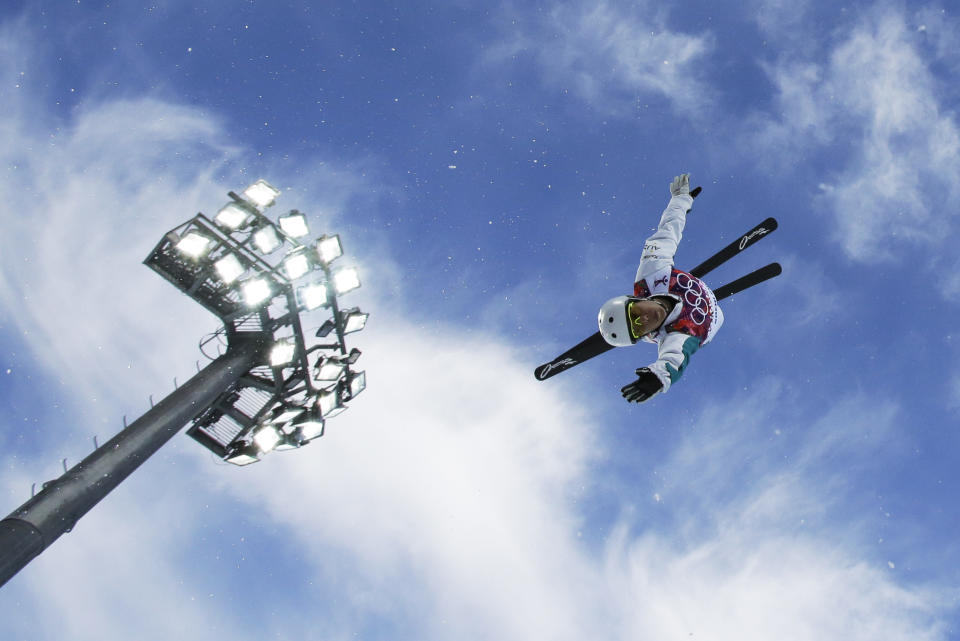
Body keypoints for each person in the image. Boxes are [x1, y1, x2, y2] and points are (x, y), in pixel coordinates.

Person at [597, 173, 724, 403]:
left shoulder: (650, 274)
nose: (644, 320)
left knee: (664, 246)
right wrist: (658, 377)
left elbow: (668, 231)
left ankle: (685, 294)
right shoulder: (674, 335)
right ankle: (692, 299)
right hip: (711, 321)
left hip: (688, 287)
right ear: (645, 336)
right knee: (688, 336)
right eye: (638, 329)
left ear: (634, 299)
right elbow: (673, 360)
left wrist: (681, 200)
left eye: (635, 315)